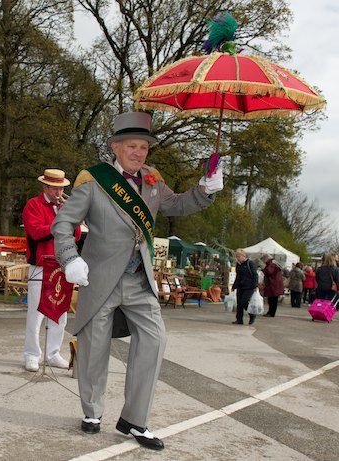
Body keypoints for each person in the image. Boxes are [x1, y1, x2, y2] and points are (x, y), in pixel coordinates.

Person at [51, 111, 222, 450]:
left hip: (139, 278)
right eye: (132, 146)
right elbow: (62, 224)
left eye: (144, 147)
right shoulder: (95, 180)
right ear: (116, 146)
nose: (139, 153)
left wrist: (205, 188)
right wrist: (70, 258)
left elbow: (178, 205)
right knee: (94, 346)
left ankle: (134, 419)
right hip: (100, 277)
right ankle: (92, 411)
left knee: (155, 340)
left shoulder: (153, 180)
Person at [21, 168, 81, 372]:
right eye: (55, 188)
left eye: (61, 188)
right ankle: (31, 354)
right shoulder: (34, 204)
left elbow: (78, 235)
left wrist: (71, 215)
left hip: (62, 265)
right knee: (36, 314)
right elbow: (36, 232)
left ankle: (53, 353)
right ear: (45, 186)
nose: (59, 192)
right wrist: (59, 222)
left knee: (60, 313)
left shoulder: (65, 207)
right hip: (40, 264)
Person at [231, 249, 259, 325]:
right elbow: (238, 276)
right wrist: (234, 286)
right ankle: (239, 320)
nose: (238, 258)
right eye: (236, 257)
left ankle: (252, 315)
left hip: (249, 287)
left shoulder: (250, 263)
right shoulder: (238, 265)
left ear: (243, 256)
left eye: (239, 256)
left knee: (244, 302)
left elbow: (255, 275)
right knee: (239, 304)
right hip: (240, 286)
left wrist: (255, 285)